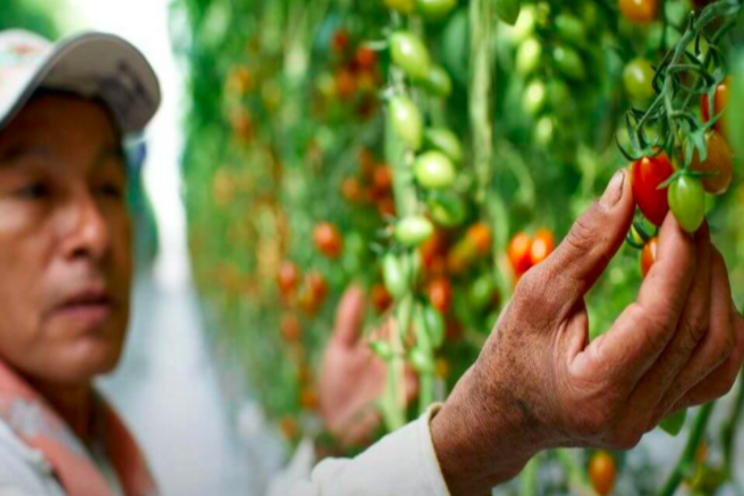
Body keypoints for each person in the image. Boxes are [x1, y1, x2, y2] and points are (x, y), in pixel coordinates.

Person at [0, 29, 742, 496]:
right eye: (33, 189)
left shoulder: (89, 443)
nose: (93, 231)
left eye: (106, 185)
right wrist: (486, 430)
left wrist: (326, 439)